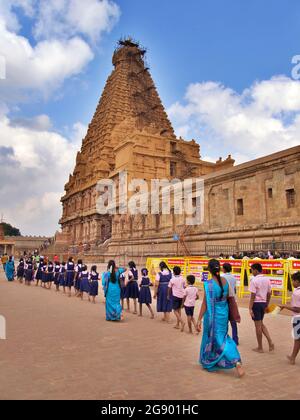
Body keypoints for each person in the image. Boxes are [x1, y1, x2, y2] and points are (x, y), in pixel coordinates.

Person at [197, 259, 244, 378]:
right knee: (223, 337)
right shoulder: (225, 281)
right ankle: (217, 358)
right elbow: (229, 298)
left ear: (209, 269)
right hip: (224, 314)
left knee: (218, 339)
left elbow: (205, 304)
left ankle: (235, 361)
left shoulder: (209, 284)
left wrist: (199, 319)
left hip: (214, 316)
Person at [249, 263, 275, 353]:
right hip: (263, 303)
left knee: (258, 326)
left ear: (256, 270)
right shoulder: (267, 279)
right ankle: (270, 342)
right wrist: (267, 304)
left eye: (252, 270)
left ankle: (260, 347)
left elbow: (252, 295)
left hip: (256, 304)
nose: (251, 272)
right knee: (261, 324)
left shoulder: (254, 280)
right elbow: (269, 293)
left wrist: (250, 308)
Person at [279, 272, 300, 365]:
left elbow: (297, 309)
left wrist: (284, 306)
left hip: (297, 318)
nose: (292, 282)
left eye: (293, 280)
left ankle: (292, 358)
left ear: (298, 281)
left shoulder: (297, 292)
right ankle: (292, 356)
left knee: (297, 339)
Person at [222, 263, 239, 345]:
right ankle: (235, 339)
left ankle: (224, 339)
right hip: (233, 300)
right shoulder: (233, 277)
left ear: (224, 269)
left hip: (225, 300)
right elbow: (234, 289)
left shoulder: (222, 277)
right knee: (233, 321)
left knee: (224, 320)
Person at [168, 266, 186, 331]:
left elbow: (169, 288)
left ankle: (182, 322)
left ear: (174, 272)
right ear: (180, 272)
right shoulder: (183, 278)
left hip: (175, 296)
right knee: (179, 310)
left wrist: (168, 295)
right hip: (181, 296)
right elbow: (184, 286)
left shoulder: (172, 279)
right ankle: (178, 324)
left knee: (175, 310)